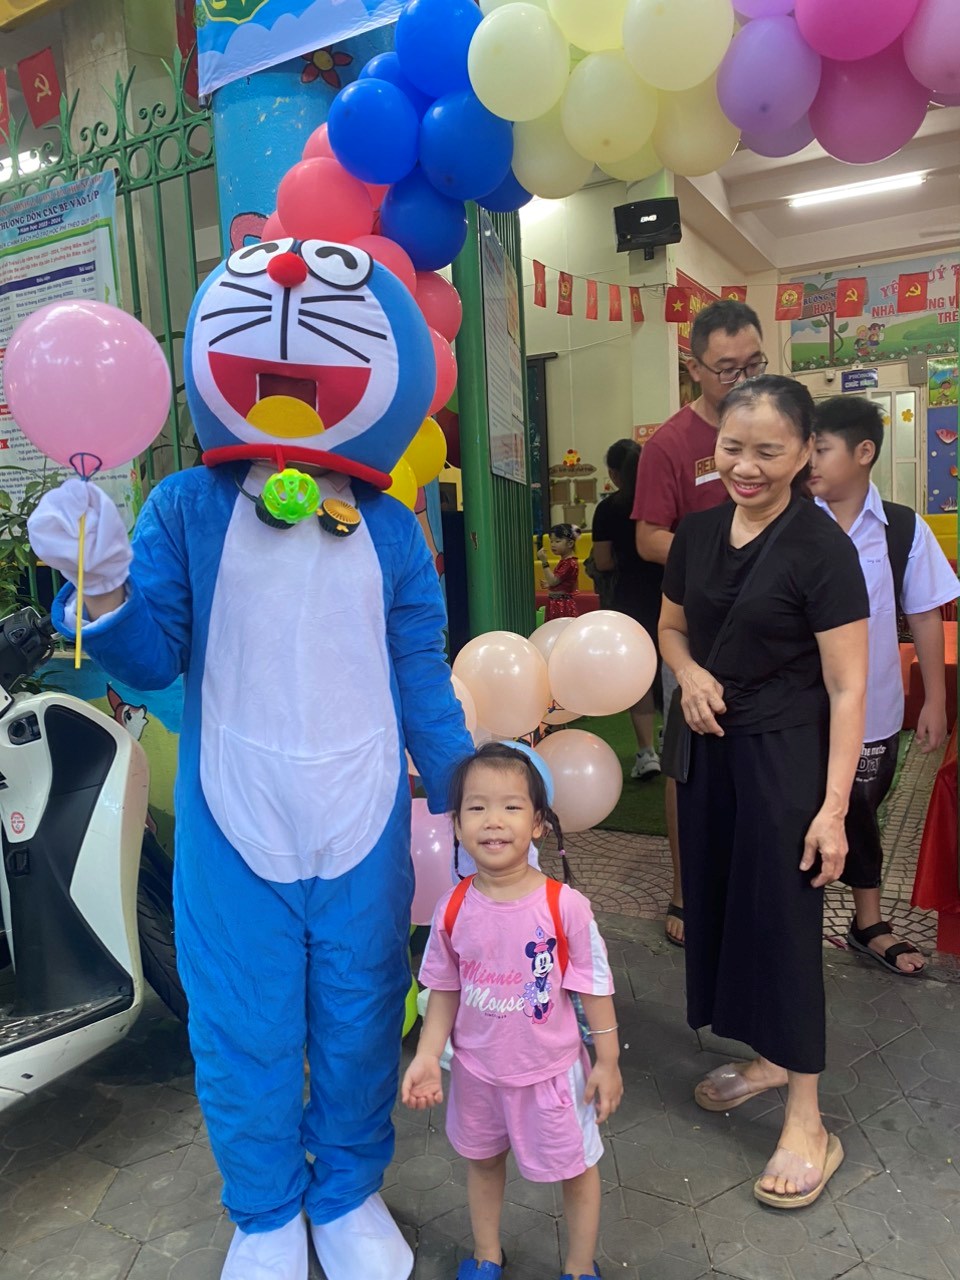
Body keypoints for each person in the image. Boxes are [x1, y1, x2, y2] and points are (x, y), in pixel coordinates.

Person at [28, 239, 474, 1280]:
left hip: (361, 814)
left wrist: (474, 792)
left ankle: (348, 1188)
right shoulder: (187, 506)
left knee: (362, 1011)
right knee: (243, 1020)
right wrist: (103, 590)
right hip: (237, 819)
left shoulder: (391, 527)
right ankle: (267, 1207)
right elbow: (152, 658)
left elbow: (421, 668)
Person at [659, 375, 869, 1209]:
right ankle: (769, 1059)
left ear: (805, 453)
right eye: (733, 448)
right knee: (726, 907)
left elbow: (847, 687)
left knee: (783, 923)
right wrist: (688, 674)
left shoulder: (823, 550)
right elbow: (671, 628)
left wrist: (833, 809)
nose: (745, 467)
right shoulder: (698, 532)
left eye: (768, 451)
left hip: (786, 759)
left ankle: (809, 1121)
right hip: (710, 751)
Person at [402, 742, 623, 1280]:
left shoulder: (564, 906)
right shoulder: (452, 908)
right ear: (457, 826)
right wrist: (428, 1055)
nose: (493, 820)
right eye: (477, 807)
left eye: (511, 806)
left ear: (539, 823)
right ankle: (487, 1255)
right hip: (477, 1075)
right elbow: (444, 989)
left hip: (552, 1077)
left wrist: (609, 1061)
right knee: (482, 1163)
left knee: (576, 1169)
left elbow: (594, 986)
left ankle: (579, 1267)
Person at [632, 299, 767, 945]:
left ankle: (758, 887)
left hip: (771, 625)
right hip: (694, 627)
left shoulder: (777, 424)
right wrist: (720, 558)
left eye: (755, 365)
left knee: (766, 754)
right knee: (686, 757)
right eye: (727, 369)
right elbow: (649, 538)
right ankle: (686, 891)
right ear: (694, 368)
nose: (743, 381)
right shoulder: (670, 444)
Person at [810, 396, 959, 974]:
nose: (808, 462)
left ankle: (868, 922)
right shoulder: (791, 521)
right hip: (798, 707)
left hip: (872, 707)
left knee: (861, 810)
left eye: (821, 449)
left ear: (863, 452)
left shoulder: (901, 528)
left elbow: (924, 614)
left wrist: (935, 702)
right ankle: (792, 923)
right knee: (792, 811)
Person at [591, 438, 663, 781]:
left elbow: (603, 561)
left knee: (640, 675)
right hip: (669, 595)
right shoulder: (662, 502)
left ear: (614, 474)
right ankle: (675, 737)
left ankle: (647, 752)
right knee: (673, 667)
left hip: (629, 600)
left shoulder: (608, 510)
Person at [537, 522, 581, 620]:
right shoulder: (565, 561)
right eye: (551, 541)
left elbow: (553, 581)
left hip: (562, 605)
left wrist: (544, 562)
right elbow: (560, 581)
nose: (553, 545)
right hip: (556, 603)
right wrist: (550, 585)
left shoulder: (570, 563)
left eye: (557, 541)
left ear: (570, 543)